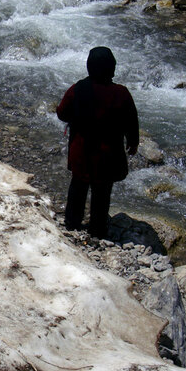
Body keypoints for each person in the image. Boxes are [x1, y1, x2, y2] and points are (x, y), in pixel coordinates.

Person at [56, 46, 139, 239]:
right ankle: (97, 230)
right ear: (112, 68)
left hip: (81, 151)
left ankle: (72, 223)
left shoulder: (77, 89)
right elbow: (131, 120)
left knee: (78, 187)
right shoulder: (121, 93)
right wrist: (133, 142)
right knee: (102, 193)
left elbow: (62, 113)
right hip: (107, 155)